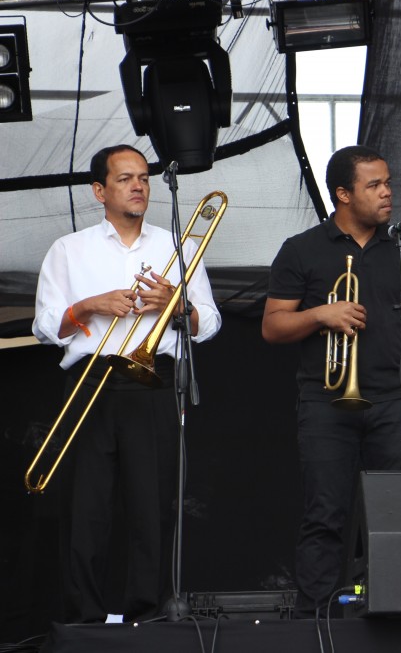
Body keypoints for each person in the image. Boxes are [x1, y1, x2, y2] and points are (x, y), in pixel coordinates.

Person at [32, 144, 222, 623]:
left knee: (152, 506)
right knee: (85, 507)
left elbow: (210, 323)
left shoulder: (177, 245)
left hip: (154, 381)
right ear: (100, 191)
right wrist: (90, 305)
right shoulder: (68, 249)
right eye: (124, 179)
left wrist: (176, 304)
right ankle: (84, 619)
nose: (138, 186)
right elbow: (45, 327)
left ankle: (148, 616)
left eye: (143, 177)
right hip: (90, 380)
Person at [262, 145, 401, 618]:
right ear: (343, 194)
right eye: (374, 185)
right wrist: (320, 314)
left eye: (388, 183)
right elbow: (272, 326)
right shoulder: (301, 249)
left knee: (397, 512)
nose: (387, 193)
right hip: (324, 403)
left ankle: (393, 612)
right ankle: (315, 620)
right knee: (325, 513)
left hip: (393, 402)